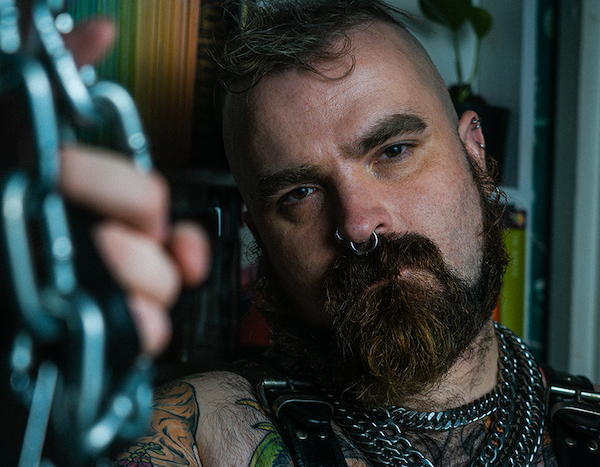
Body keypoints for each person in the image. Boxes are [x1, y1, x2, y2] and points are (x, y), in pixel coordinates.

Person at [57, 2, 591, 467]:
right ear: (259, 237)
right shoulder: (194, 438)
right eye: (300, 194)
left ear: (475, 155)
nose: (357, 224)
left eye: (394, 151)